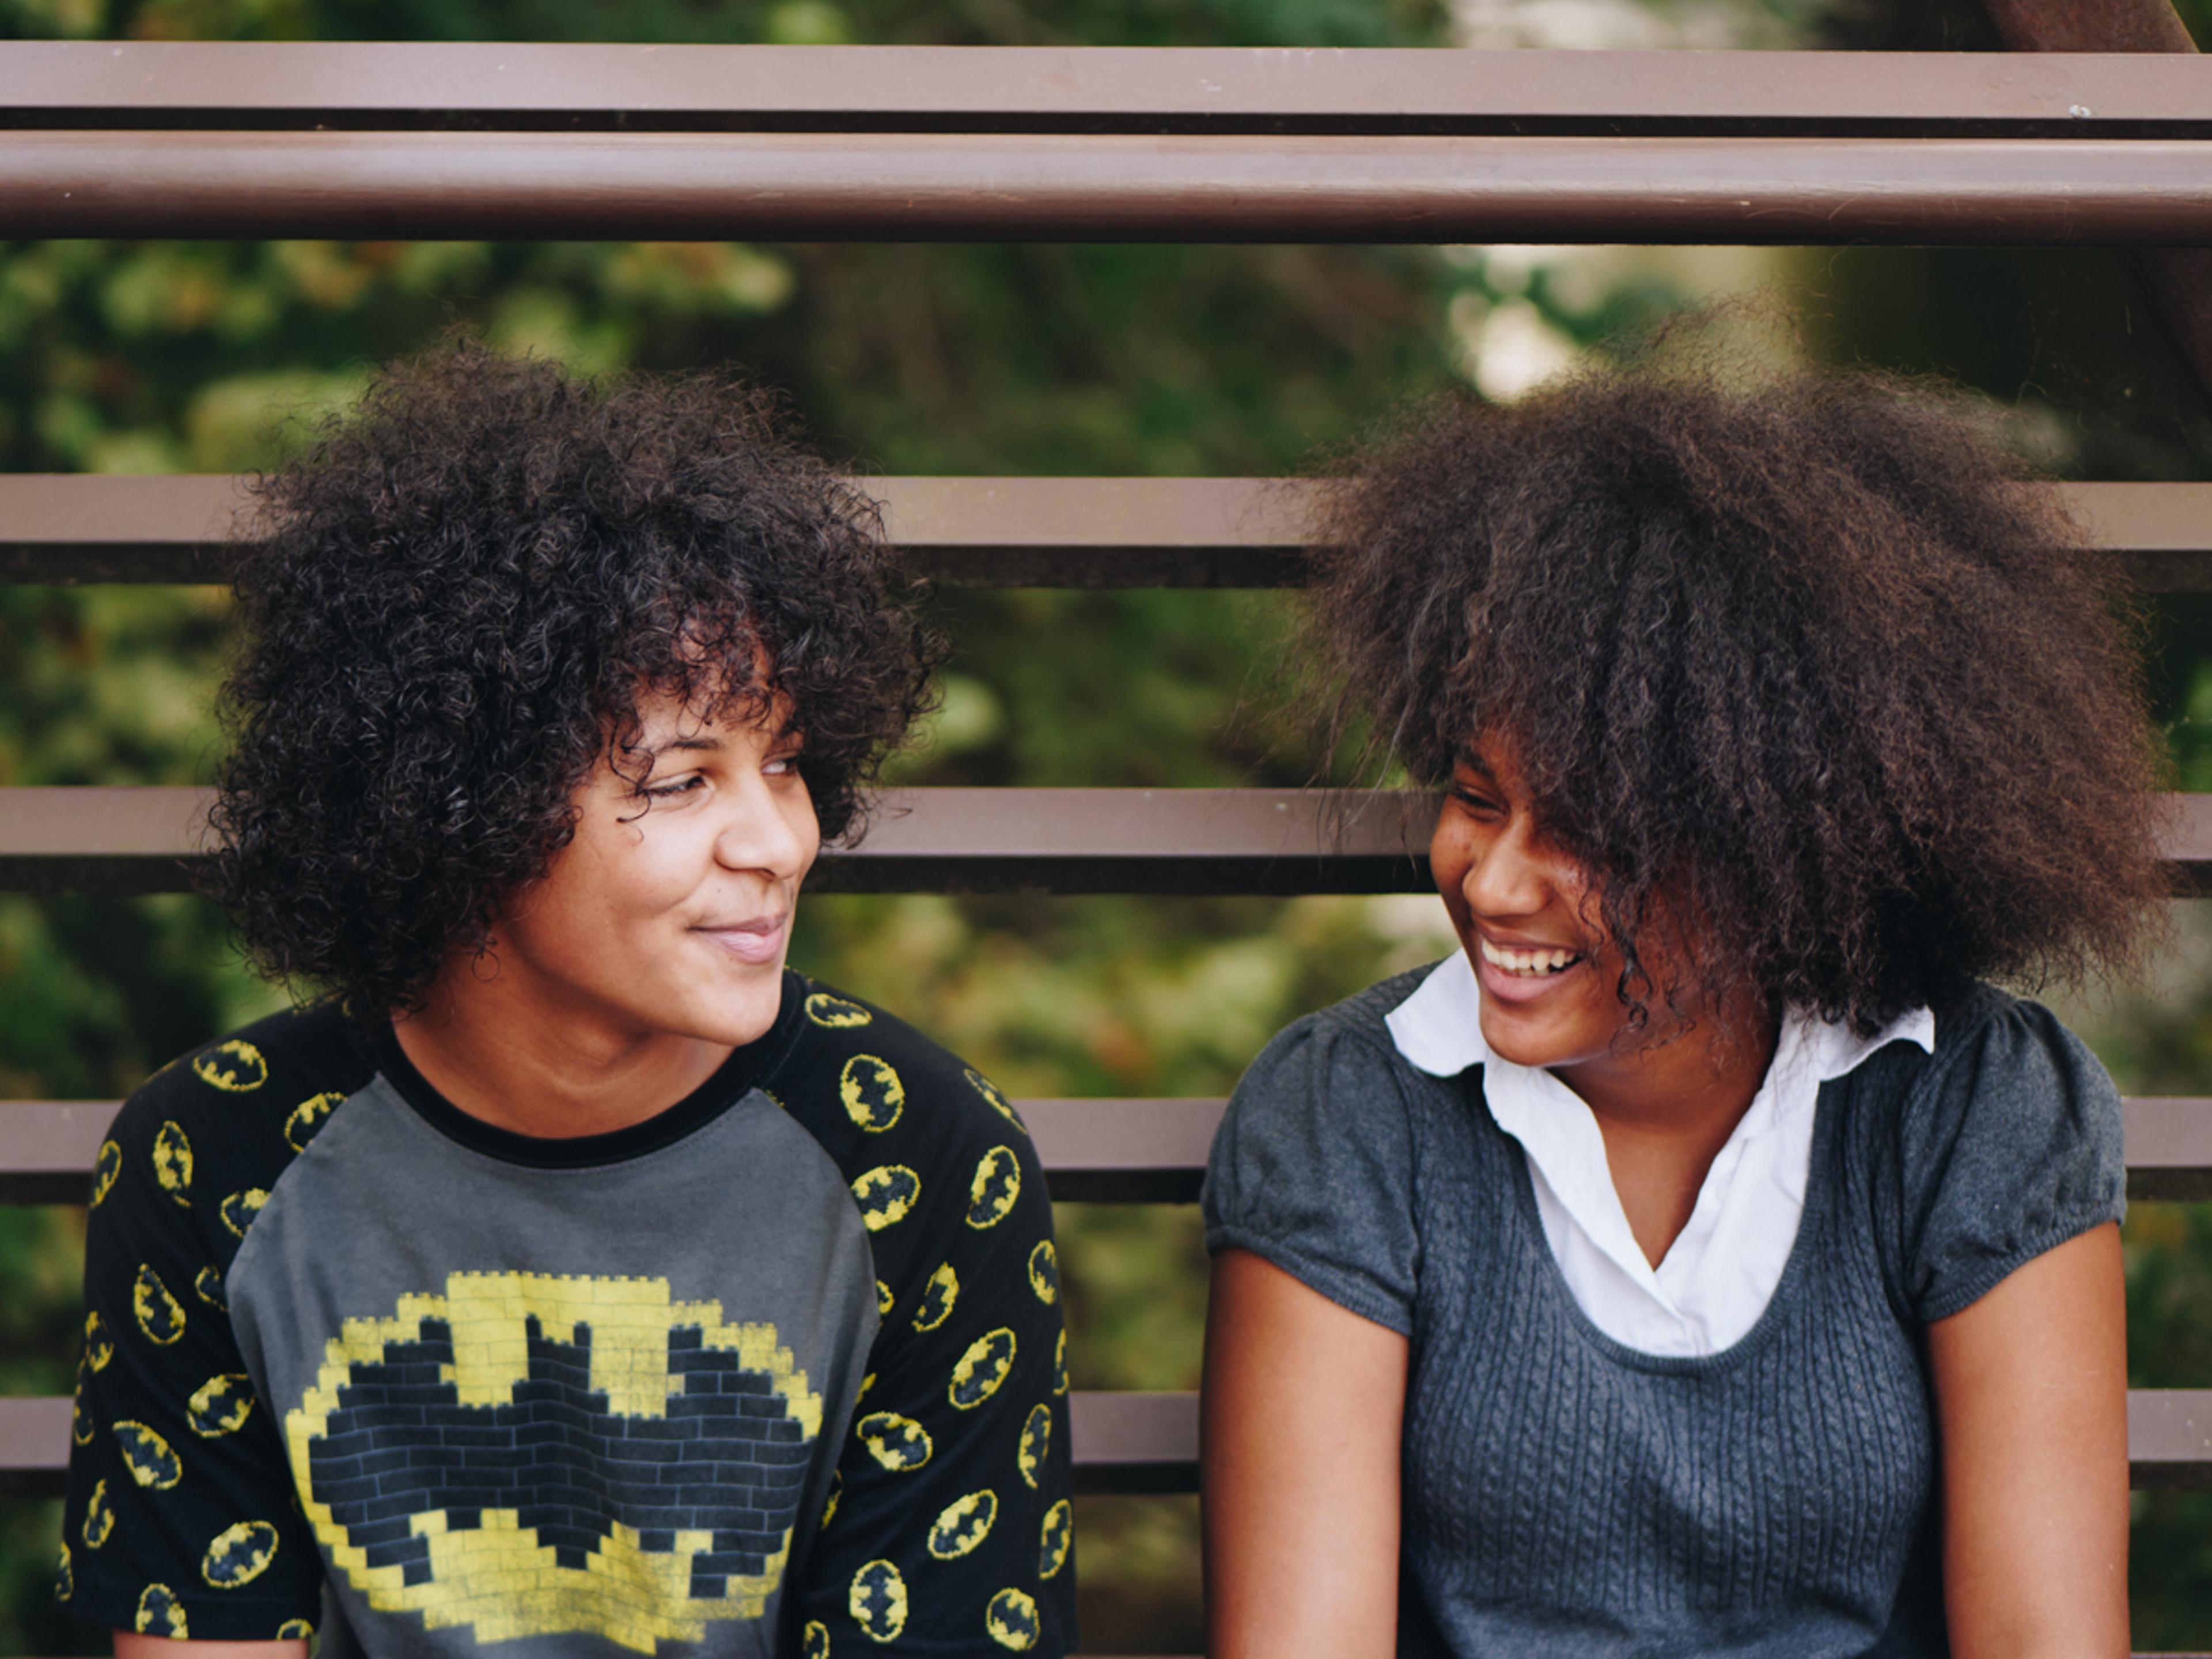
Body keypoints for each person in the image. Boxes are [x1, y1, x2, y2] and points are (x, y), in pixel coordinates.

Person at [58, 342, 1076, 1659]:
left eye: (785, 763)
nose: (778, 842)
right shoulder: (218, 1158)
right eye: (681, 781)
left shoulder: (924, 1158)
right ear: (462, 801)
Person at [1200, 360, 2162, 1657]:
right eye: (1477, 798)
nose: (1490, 880)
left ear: (1785, 843)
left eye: (1590, 834)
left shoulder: (1972, 1106)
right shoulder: (1353, 1113)